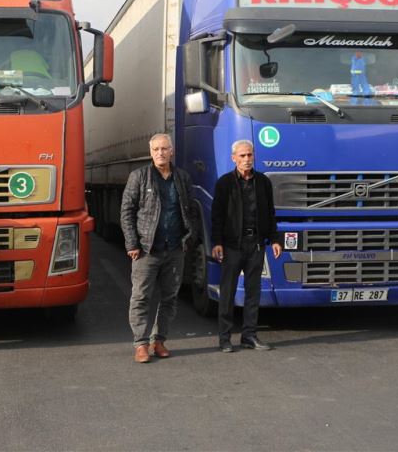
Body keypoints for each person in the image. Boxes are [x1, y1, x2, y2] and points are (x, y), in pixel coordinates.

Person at [120, 133, 199, 363]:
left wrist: (189, 238)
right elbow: (127, 211)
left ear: (171, 151)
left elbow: (191, 210)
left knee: (170, 298)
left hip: (175, 249)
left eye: (164, 149)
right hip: (146, 249)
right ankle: (141, 344)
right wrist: (132, 243)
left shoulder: (182, 177)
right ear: (150, 152)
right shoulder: (139, 177)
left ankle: (159, 340)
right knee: (141, 297)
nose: (160, 153)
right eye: (156, 149)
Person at [211, 140, 282, 352]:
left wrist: (275, 239)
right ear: (234, 158)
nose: (247, 159)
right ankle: (224, 339)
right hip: (233, 246)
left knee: (253, 293)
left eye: (250, 155)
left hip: (256, 246)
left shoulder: (263, 182)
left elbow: (270, 213)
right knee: (227, 293)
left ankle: (249, 336)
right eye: (242, 156)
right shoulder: (224, 183)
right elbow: (217, 216)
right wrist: (217, 243)